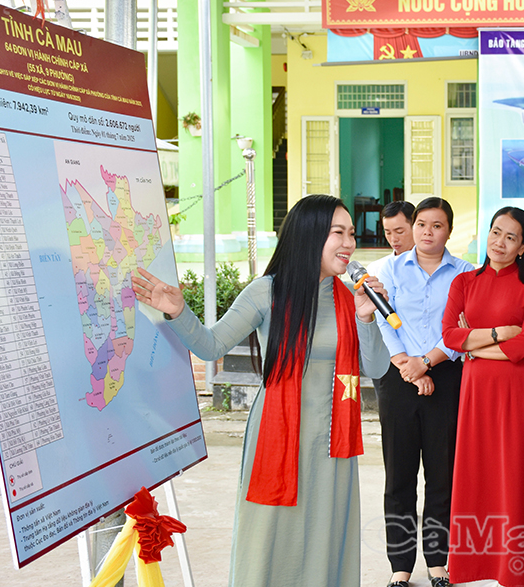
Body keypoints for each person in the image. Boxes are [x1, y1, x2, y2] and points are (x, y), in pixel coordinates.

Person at [131, 194, 390, 587]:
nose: (350, 243)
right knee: (271, 536)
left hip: (333, 441)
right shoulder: (266, 291)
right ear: (309, 235)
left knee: (325, 533)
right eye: (338, 232)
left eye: (352, 233)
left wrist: (367, 317)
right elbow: (211, 346)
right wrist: (178, 311)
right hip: (278, 436)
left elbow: (375, 367)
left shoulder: (349, 297)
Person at [443, 207, 524, 587]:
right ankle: (475, 564)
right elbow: (450, 337)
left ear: (523, 246)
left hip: (517, 389)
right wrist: (499, 332)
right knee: (476, 468)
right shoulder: (464, 282)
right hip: (476, 390)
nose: (499, 242)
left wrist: (475, 345)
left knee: (515, 468)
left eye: (510, 237)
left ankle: (519, 565)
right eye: (495, 232)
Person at [374, 197, 474, 587]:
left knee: (441, 474)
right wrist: (408, 365)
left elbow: (461, 330)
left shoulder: (465, 274)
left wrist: (427, 363)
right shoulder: (392, 269)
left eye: (437, 226)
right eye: (421, 225)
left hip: (447, 378)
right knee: (399, 477)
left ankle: (437, 561)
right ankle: (400, 565)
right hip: (400, 379)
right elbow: (387, 319)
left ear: (449, 231)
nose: (427, 232)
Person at [367, 200, 415, 279]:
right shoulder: (376, 269)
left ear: (415, 227)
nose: (393, 239)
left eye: (399, 232)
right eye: (388, 233)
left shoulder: (432, 267)